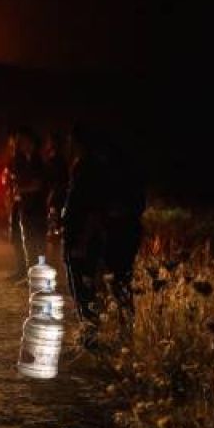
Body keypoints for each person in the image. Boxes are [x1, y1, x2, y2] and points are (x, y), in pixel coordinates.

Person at [60, 125, 146, 344]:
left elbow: (91, 209)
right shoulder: (99, 167)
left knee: (90, 284)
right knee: (111, 284)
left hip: (100, 234)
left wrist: (83, 238)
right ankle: (114, 332)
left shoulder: (90, 168)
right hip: (106, 234)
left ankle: (94, 332)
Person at [3, 126, 50, 280]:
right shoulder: (21, 160)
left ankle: (40, 274)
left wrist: (20, 190)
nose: (20, 144)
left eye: (22, 141)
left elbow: (38, 185)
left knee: (38, 243)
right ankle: (30, 273)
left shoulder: (37, 160)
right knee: (28, 242)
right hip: (26, 206)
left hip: (36, 207)